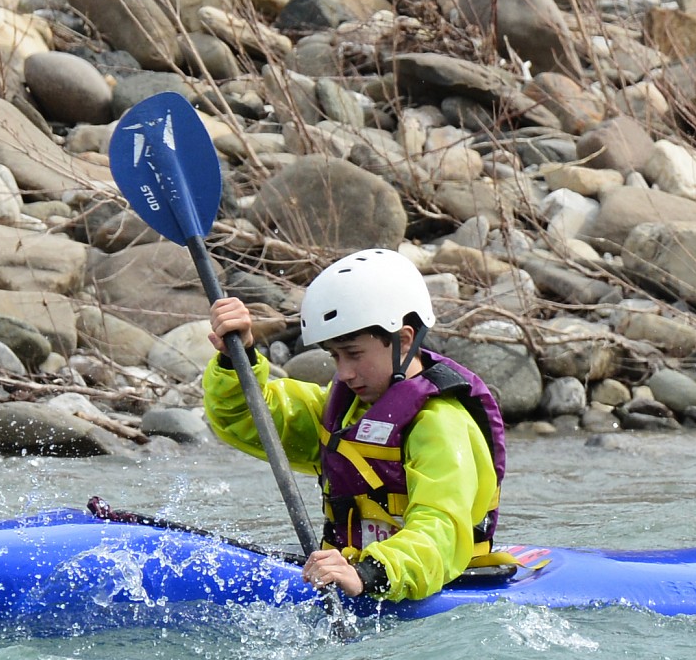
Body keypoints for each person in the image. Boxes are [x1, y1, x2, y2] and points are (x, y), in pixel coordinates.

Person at [202, 248, 510, 602]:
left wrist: (370, 573)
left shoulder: (442, 425)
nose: (344, 372)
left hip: (415, 582)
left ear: (404, 340)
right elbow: (246, 418)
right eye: (335, 356)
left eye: (354, 354)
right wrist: (236, 358)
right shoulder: (345, 412)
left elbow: (439, 530)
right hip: (355, 578)